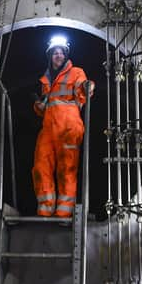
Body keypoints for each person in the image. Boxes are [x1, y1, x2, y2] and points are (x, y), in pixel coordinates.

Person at [32, 36, 94, 217]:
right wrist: (39, 105)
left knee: (67, 168)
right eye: (55, 53)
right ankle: (45, 208)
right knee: (40, 166)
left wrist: (87, 86)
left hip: (68, 125)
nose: (58, 56)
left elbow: (83, 91)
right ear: (50, 56)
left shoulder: (76, 72)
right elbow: (45, 108)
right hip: (48, 128)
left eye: (61, 53)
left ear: (66, 55)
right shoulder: (46, 79)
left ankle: (64, 212)